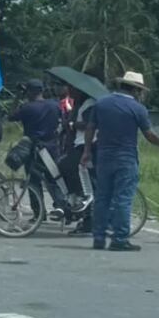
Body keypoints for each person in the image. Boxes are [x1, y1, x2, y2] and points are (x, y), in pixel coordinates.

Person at [82, 71, 159, 252]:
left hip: (103, 156)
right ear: (136, 90)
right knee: (123, 199)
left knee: (102, 198)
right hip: (126, 157)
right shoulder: (138, 109)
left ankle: (98, 238)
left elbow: (90, 128)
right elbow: (149, 134)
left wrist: (86, 151)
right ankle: (119, 238)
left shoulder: (101, 103)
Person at [9, 79, 64, 216]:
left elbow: (10, 116)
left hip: (34, 148)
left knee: (33, 180)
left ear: (30, 92)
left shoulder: (27, 108)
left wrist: (17, 97)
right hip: (52, 147)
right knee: (54, 178)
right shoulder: (54, 105)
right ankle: (61, 205)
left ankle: (39, 213)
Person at [60, 85, 95, 232]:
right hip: (78, 144)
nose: (70, 92)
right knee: (64, 167)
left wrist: (72, 124)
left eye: (73, 89)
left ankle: (81, 196)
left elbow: (89, 125)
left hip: (85, 145)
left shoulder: (90, 104)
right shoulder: (79, 104)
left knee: (66, 166)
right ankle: (79, 202)